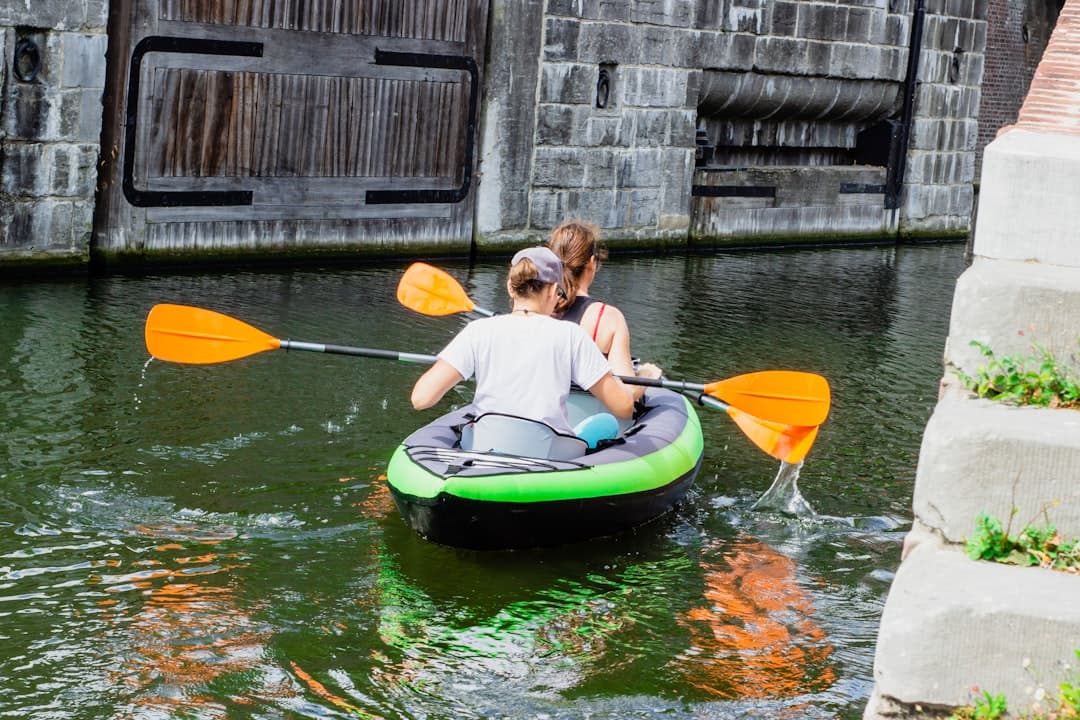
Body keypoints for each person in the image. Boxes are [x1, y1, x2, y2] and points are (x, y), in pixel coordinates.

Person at [410, 246, 635, 442]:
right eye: (559, 293)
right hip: (548, 459)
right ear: (551, 290)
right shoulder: (571, 335)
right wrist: (642, 378)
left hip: (485, 451)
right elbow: (624, 407)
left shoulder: (477, 331)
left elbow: (421, 399)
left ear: (510, 287)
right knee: (605, 424)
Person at [548, 219, 662, 400]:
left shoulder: (534, 308)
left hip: (538, 418)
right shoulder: (607, 317)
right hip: (590, 422)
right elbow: (628, 393)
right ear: (592, 263)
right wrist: (647, 375)